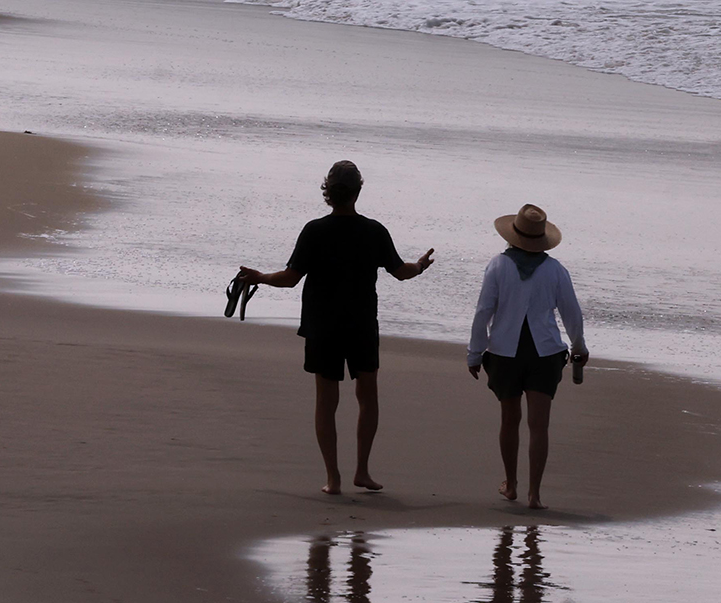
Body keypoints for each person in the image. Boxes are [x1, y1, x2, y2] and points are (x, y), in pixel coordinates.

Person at [233, 160, 436, 495]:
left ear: (328, 191)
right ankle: (363, 471)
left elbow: (290, 279)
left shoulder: (315, 231)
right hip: (360, 325)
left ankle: (333, 478)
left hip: (322, 325)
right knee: (367, 397)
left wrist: (260, 278)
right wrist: (420, 266)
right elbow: (401, 272)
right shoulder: (374, 231)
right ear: (358, 191)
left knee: (326, 402)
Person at [467, 204, 588, 511]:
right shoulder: (555, 270)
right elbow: (571, 312)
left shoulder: (497, 266)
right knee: (539, 426)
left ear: (513, 236)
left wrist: (474, 352)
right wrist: (579, 346)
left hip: (505, 353)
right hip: (544, 353)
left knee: (510, 421)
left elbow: (484, 311)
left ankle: (511, 484)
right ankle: (534, 494)